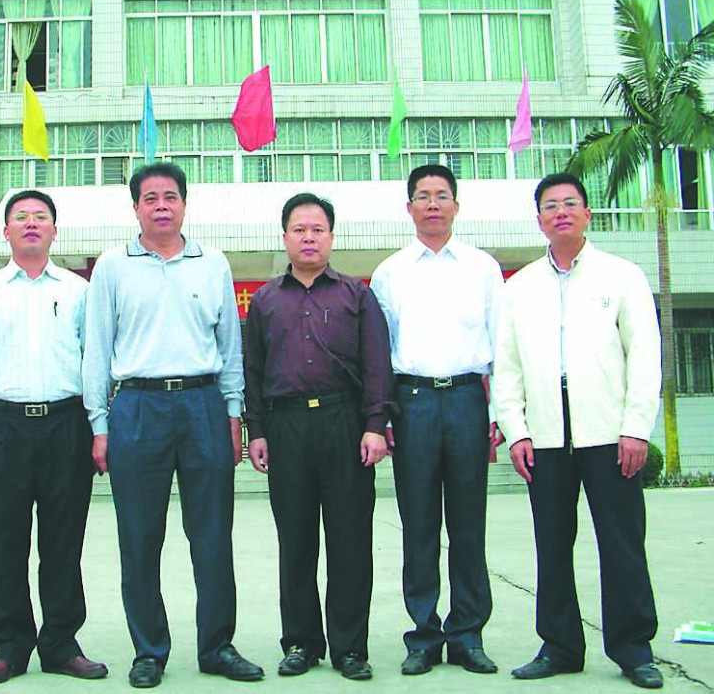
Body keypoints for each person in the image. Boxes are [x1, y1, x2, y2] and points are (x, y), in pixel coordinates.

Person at [82, 162, 263, 689]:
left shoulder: (213, 263)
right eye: (150, 198)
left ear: (185, 203)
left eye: (170, 197)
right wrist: (99, 424)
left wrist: (233, 412)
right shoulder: (113, 267)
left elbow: (230, 347)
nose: (161, 206)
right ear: (135, 207)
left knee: (212, 534)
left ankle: (217, 646)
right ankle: (149, 650)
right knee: (139, 537)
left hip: (204, 404)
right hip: (137, 408)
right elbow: (97, 350)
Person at [493, 173, 663, 690]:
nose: (561, 212)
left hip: (610, 434)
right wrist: (517, 431)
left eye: (570, 203)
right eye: (551, 206)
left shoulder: (622, 276)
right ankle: (561, 645)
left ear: (587, 214)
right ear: (539, 220)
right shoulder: (519, 288)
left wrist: (636, 428)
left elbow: (645, 356)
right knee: (551, 545)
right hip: (545, 438)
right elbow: (508, 366)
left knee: (622, 543)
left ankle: (633, 648)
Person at [244, 193, 394, 681]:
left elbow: (377, 364)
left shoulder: (357, 295)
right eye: (299, 229)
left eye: (317, 229)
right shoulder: (265, 300)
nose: (308, 238)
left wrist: (375, 425)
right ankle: (301, 642)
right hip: (286, 426)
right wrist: (256, 430)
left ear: (331, 236)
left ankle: (350, 648)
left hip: (344, 424)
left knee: (350, 540)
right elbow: (253, 371)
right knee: (295, 541)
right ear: (285, 237)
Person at [0, 190, 107, 685]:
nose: (30, 224)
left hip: (67, 424)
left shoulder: (78, 290)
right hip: (4, 427)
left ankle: (61, 644)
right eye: (20, 217)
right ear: (6, 232)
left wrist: (97, 427)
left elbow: (93, 362)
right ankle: (9, 646)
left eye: (40, 217)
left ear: (53, 231)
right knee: (5, 544)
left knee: (63, 544)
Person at [370, 164, 503, 676]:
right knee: (419, 523)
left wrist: (498, 414)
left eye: (441, 195)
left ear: (456, 205)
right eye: (422, 196)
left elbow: (502, 345)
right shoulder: (390, 272)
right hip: (413, 403)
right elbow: (379, 354)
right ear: (408, 208)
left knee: (469, 524)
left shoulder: (482, 268)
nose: (432, 204)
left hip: (468, 399)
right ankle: (423, 635)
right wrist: (383, 416)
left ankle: (468, 634)